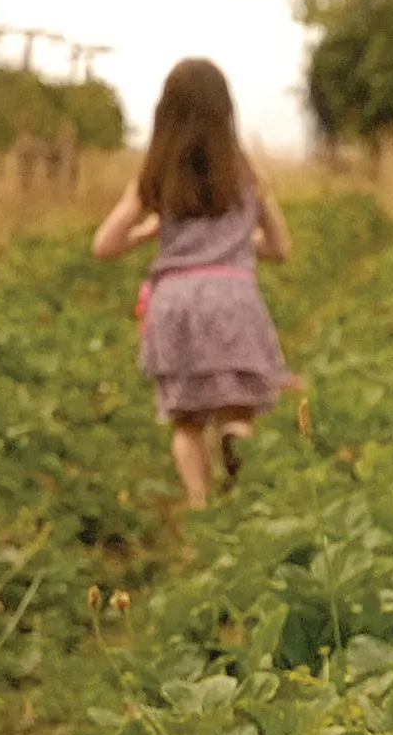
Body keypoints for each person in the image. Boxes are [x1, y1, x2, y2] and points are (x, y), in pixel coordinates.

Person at [92, 59, 296, 510]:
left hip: (176, 301)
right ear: (226, 111)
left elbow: (104, 245)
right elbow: (280, 247)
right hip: (232, 297)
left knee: (185, 421)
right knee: (236, 408)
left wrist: (150, 231)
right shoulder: (247, 176)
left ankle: (199, 504)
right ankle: (235, 454)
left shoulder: (156, 176)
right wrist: (237, 243)